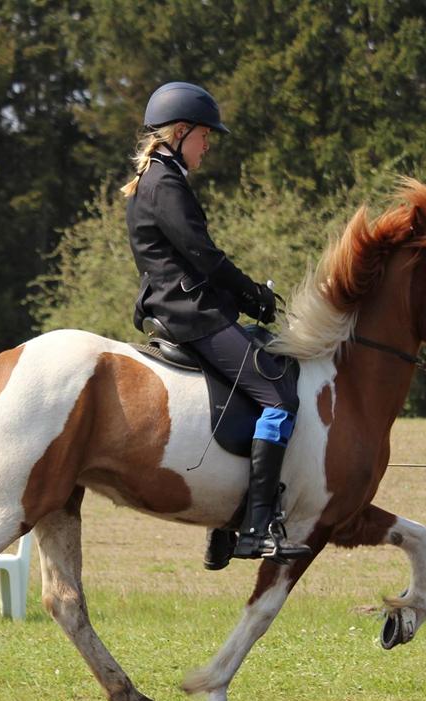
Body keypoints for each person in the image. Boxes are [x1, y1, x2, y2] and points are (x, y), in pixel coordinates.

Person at [123, 81, 311, 566]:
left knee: (260, 370)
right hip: (191, 315)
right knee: (278, 395)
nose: (208, 144)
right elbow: (204, 258)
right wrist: (255, 295)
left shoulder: (159, 178)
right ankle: (254, 528)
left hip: (182, 307)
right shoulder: (166, 183)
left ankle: (222, 525)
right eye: (204, 135)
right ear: (181, 132)